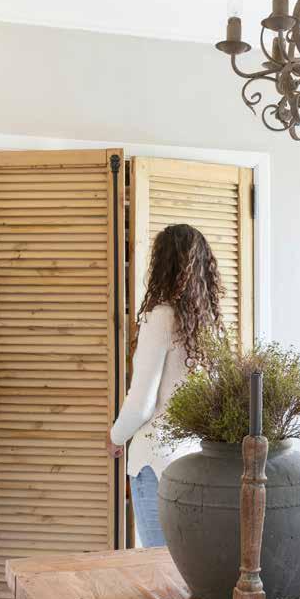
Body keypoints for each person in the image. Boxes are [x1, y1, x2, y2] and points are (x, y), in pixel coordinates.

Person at [106, 223, 223, 546]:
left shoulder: (160, 317)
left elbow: (142, 400)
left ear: (162, 265)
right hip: (198, 462)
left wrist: (116, 437)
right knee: (190, 570)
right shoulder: (210, 326)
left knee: (159, 567)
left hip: (156, 461)